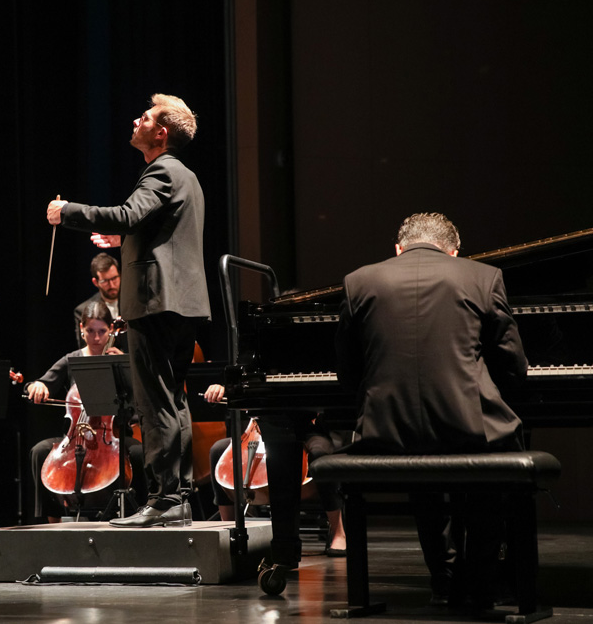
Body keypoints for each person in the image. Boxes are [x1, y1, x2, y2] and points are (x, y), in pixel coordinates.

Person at [335, 212, 528, 606]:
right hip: (467, 424)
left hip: (387, 429)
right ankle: (480, 582)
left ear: (398, 248)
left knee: (421, 465)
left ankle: (443, 575)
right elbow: (513, 365)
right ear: (454, 251)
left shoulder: (359, 281)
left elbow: (348, 371)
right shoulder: (483, 276)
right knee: (497, 453)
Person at [47, 94, 210, 527]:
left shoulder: (161, 170)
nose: (136, 120)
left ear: (161, 133)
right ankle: (178, 497)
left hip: (156, 302)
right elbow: (164, 234)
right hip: (183, 303)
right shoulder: (187, 176)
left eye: (145, 117)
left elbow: (126, 213)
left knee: (154, 401)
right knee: (172, 400)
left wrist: (67, 212)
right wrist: (126, 242)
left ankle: (164, 499)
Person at [27, 300, 145, 522]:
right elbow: (42, 382)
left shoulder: (120, 361)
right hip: (76, 437)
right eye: (90, 331)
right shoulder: (73, 360)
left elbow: (137, 399)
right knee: (39, 451)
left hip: (113, 436)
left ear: (111, 330)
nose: (96, 338)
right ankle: (50, 519)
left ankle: (139, 513)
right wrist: (38, 386)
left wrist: (122, 368)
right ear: (82, 329)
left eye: (102, 331)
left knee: (139, 453)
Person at [203, 384, 347, 555]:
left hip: (310, 429)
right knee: (218, 450)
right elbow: (240, 386)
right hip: (263, 427)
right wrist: (225, 388)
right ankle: (229, 528)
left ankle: (338, 531)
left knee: (320, 454)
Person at [72, 253, 125, 349]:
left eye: (114, 278)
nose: (112, 285)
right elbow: (85, 348)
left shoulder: (132, 304)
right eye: (105, 281)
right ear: (95, 282)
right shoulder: (83, 310)